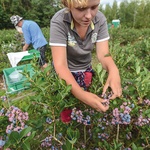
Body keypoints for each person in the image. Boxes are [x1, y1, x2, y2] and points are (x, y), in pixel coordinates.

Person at [49, 0, 122, 112]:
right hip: (65, 74)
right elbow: (60, 65)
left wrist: (113, 70)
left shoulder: (99, 19)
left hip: (85, 70)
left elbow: (104, 54)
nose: (89, 16)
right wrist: (81, 94)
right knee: (67, 109)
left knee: (85, 110)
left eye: (94, 7)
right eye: (81, 9)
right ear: (68, 5)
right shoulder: (59, 21)